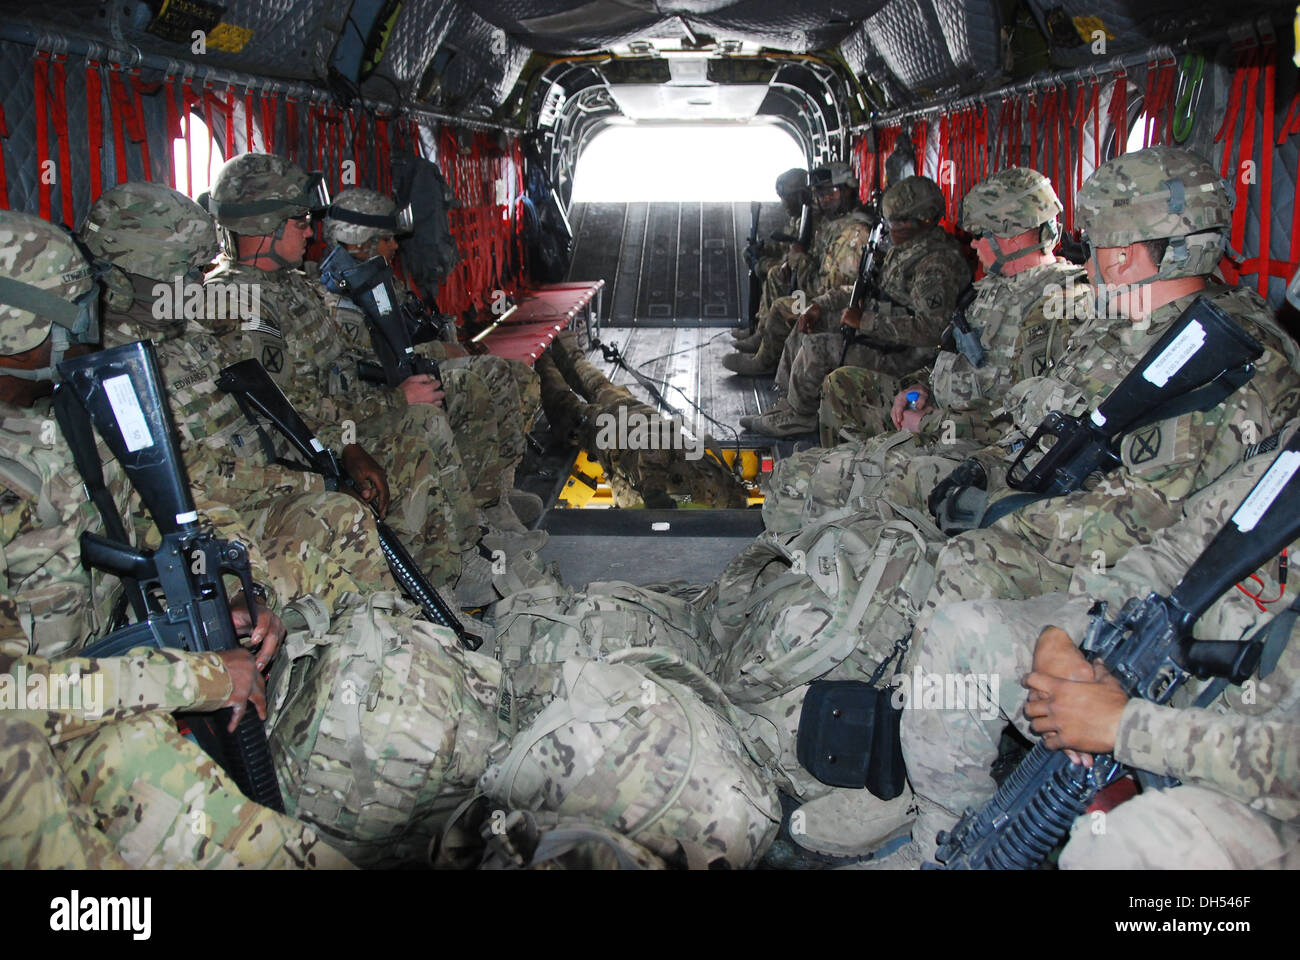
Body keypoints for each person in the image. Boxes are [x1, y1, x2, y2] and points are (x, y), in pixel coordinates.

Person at [0, 208, 350, 869]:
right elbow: (15, 697)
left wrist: (227, 601)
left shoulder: (65, 418)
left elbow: (159, 520)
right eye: (70, 311)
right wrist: (197, 677)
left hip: (117, 688)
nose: (87, 328)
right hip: (45, 742)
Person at [889, 419, 1300, 869]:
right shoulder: (1283, 472)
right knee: (965, 634)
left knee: (1141, 842)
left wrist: (1128, 728)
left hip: (1254, 790)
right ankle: (941, 840)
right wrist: (1067, 633)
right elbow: (1170, 557)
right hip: (1155, 691)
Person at [198, 153, 541, 606]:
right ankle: (445, 575)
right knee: (422, 424)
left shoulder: (291, 284)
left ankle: (470, 537)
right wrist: (391, 406)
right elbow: (287, 410)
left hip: (347, 418)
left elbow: (349, 360)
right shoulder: (237, 299)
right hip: (308, 449)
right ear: (266, 226)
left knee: (450, 397)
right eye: (299, 220)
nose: (310, 230)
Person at [321, 187, 543, 530]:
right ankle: (481, 508)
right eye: (387, 239)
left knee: (518, 374)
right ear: (357, 241)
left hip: (411, 372)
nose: (396, 246)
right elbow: (374, 363)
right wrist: (442, 353)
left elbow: (417, 327)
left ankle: (498, 487)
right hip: (386, 392)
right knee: (483, 380)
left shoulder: (378, 280)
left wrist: (457, 344)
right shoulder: (340, 299)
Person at [819, 167, 1085, 447]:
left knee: (815, 476)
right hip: (937, 410)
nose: (972, 243)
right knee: (841, 384)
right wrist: (917, 387)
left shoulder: (1058, 305)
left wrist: (929, 423)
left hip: (969, 441)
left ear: (1013, 236)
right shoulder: (994, 288)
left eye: (981, 234)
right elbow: (952, 356)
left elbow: (1022, 416)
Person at [742, 175, 970, 437]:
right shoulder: (904, 249)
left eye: (898, 222)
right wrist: (818, 305)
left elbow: (931, 330)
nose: (891, 228)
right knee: (808, 324)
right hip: (884, 337)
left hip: (908, 357)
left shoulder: (935, 264)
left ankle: (801, 417)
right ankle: (788, 402)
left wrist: (864, 322)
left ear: (921, 221)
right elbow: (864, 288)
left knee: (817, 347)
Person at [722, 161, 873, 377]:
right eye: (820, 194)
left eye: (830, 192)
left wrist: (799, 258)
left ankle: (765, 362)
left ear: (848, 189)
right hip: (820, 297)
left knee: (783, 306)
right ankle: (764, 341)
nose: (823, 199)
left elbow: (831, 289)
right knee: (780, 287)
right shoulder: (836, 225)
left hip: (836, 308)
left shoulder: (854, 233)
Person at [733, 166, 816, 340]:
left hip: (805, 288)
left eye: (786, 198)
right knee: (761, 263)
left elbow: (800, 260)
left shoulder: (813, 223)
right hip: (797, 274)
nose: (783, 204)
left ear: (800, 196)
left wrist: (761, 263)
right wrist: (763, 250)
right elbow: (787, 249)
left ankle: (762, 336)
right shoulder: (799, 219)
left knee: (773, 274)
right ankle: (759, 329)